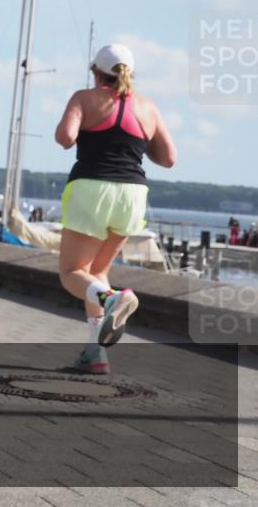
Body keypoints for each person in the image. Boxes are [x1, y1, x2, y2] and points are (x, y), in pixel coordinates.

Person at [55, 44, 176, 374]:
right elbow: (168, 158)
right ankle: (96, 355)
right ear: (129, 75)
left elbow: (64, 137)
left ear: (96, 72)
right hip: (133, 194)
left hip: (92, 188)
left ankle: (111, 300)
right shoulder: (147, 107)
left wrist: (83, 123)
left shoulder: (85, 98)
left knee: (71, 274)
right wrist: (135, 140)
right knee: (97, 274)